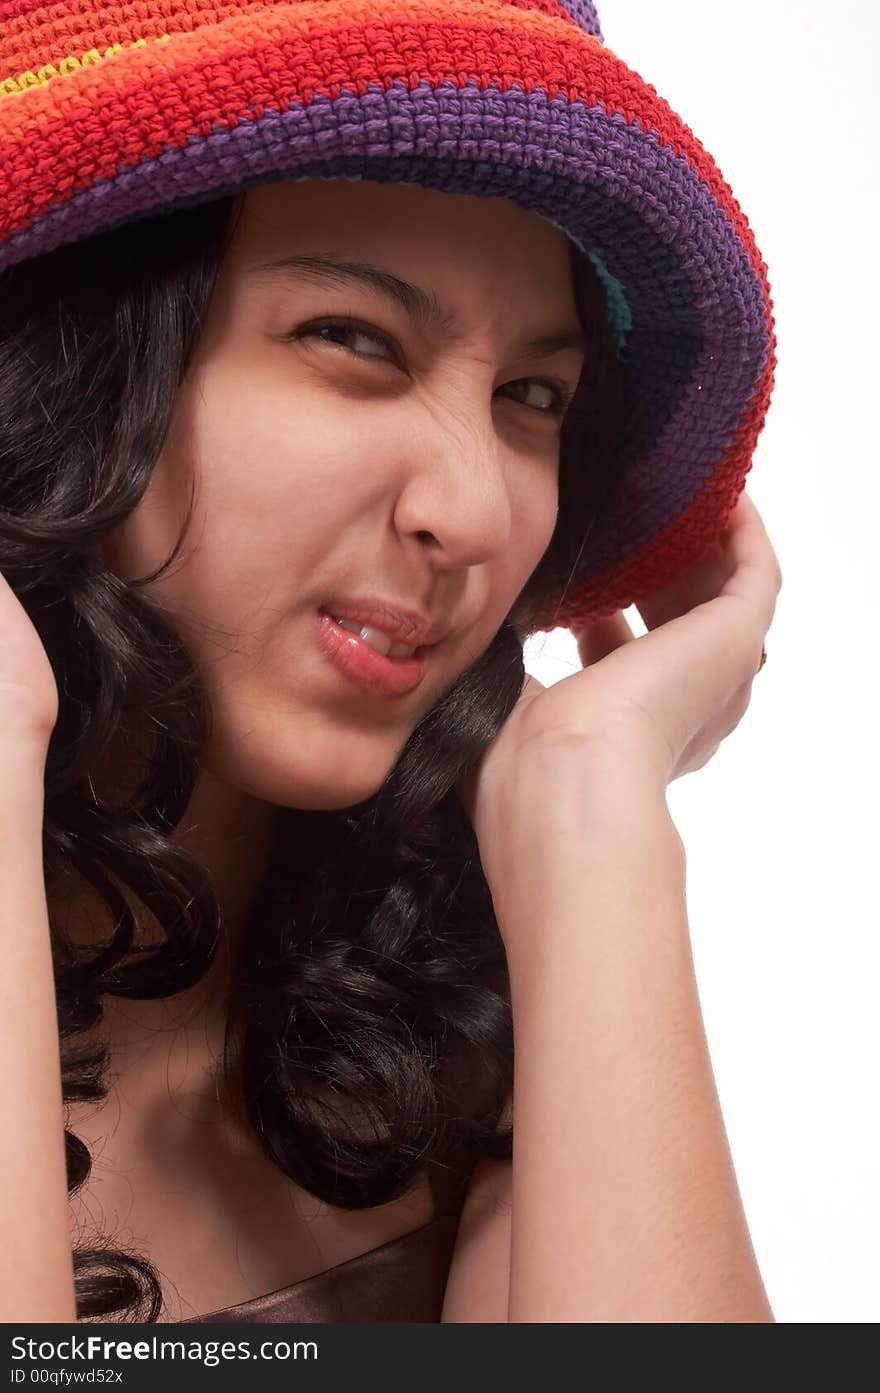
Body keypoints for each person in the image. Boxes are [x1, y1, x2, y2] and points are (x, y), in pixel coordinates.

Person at [0, 0, 781, 1324]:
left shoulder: (472, 1026)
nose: (474, 514)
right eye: (356, 339)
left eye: (532, 397)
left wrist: (592, 807)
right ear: (82, 357)